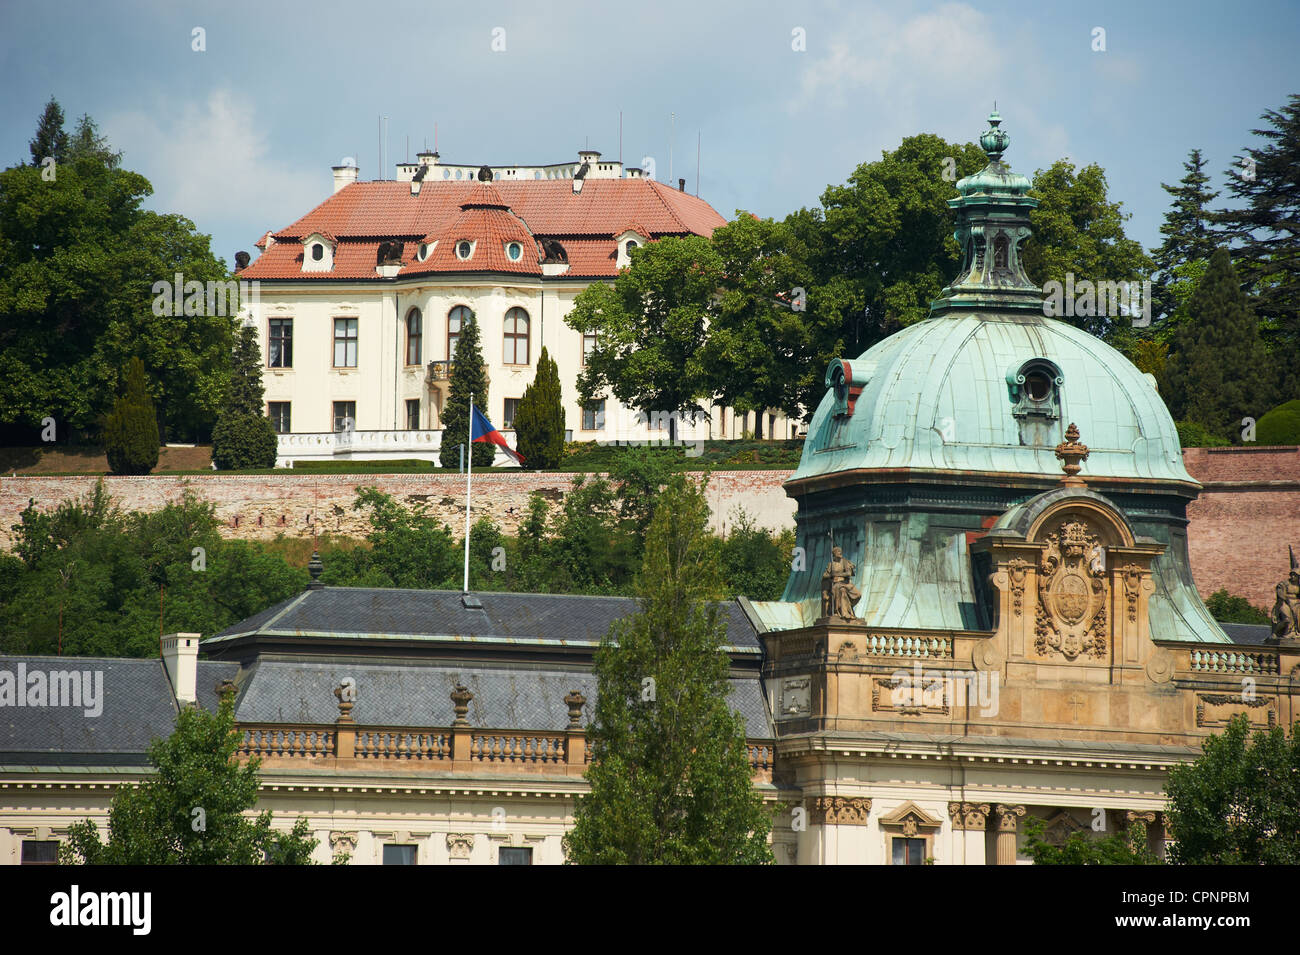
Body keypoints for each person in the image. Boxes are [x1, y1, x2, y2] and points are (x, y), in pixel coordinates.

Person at [821, 546, 862, 621]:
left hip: (846, 583)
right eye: (838, 551)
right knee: (841, 591)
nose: (840, 552)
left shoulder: (844, 562)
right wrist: (830, 575)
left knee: (858, 595)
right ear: (834, 554)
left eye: (840, 551)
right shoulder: (831, 564)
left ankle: (847, 608)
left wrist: (837, 574)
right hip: (836, 584)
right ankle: (844, 613)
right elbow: (824, 575)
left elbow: (848, 573)